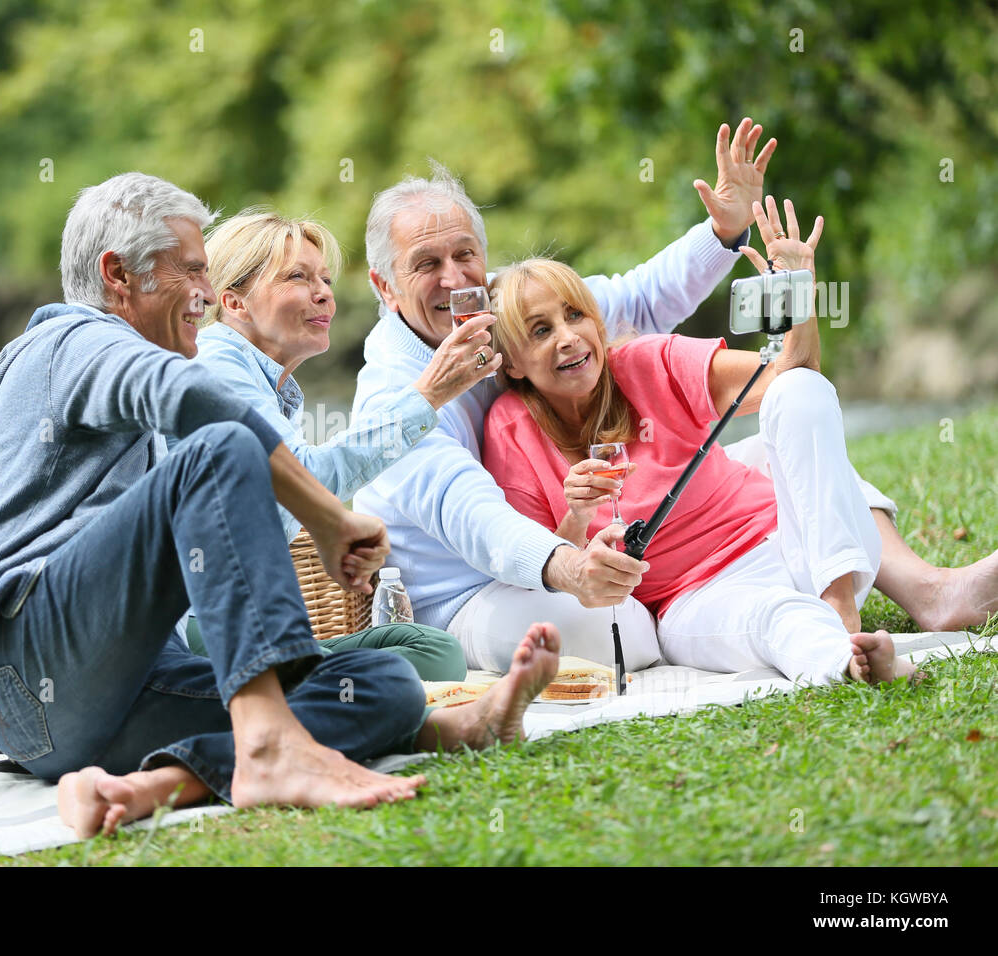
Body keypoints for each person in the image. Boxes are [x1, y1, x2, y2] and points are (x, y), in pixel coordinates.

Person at [0, 170, 564, 839]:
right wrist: (329, 517)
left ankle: (161, 783)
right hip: (16, 663)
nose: (204, 292)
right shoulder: (71, 340)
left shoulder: (142, 374)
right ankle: (269, 743)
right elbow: (196, 408)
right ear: (118, 275)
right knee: (220, 444)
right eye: (192, 271)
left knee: (381, 681)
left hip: (83, 712)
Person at [351, 120, 995, 674]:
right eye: (425, 264)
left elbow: (635, 301)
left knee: (791, 434)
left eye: (465, 254)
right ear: (385, 286)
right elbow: (473, 517)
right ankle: (824, 645)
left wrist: (726, 233)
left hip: (664, 536)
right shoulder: (401, 397)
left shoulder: (513, 306)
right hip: (476, 586)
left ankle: (923, 595)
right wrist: (571, 565)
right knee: (624, 632)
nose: (453, 277)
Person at [481, 196, 940, 684]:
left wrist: (797, 292)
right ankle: (848, 662)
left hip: (795, 547)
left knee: (800, 389)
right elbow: (545, 569)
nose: (568, 337)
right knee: (772, 617)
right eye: (540, 330)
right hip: (696, 597)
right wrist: (576, 517)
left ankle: (841, 607)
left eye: (575, 315)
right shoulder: (510, 429)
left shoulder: (646, 361)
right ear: (511, 362)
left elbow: (791, 375)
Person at [176, 207, 499, 681]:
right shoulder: (218, 364)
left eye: (325, 278)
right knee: (417, 669)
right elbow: (306, 477)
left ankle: (319, 687)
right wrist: (428, 394)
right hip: (199, 628)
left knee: (432, 650)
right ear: (235, 303)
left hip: (251, 622)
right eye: (298, 277)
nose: (324, 292)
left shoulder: (268, 384)